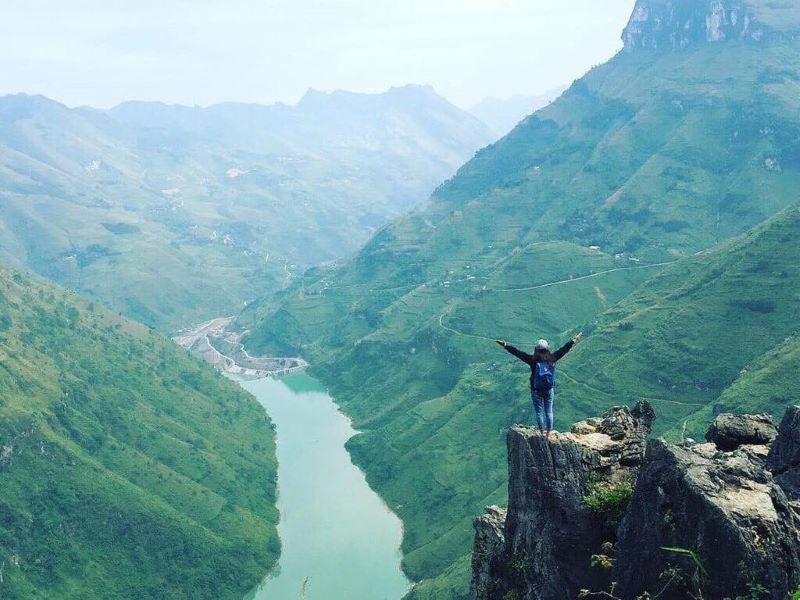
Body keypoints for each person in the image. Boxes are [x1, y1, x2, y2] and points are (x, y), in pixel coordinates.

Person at [495, 332, 582, 439]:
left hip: (536, 390)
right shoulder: (553, 358)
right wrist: (573, 340)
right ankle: (549, 432)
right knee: (549, 410)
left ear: (536, 349)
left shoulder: (533, 360)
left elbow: (518, 353)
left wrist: (505, 345)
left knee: (539, 411)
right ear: (547, 349)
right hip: (549, 389)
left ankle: (541, 432)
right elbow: (564, 349)